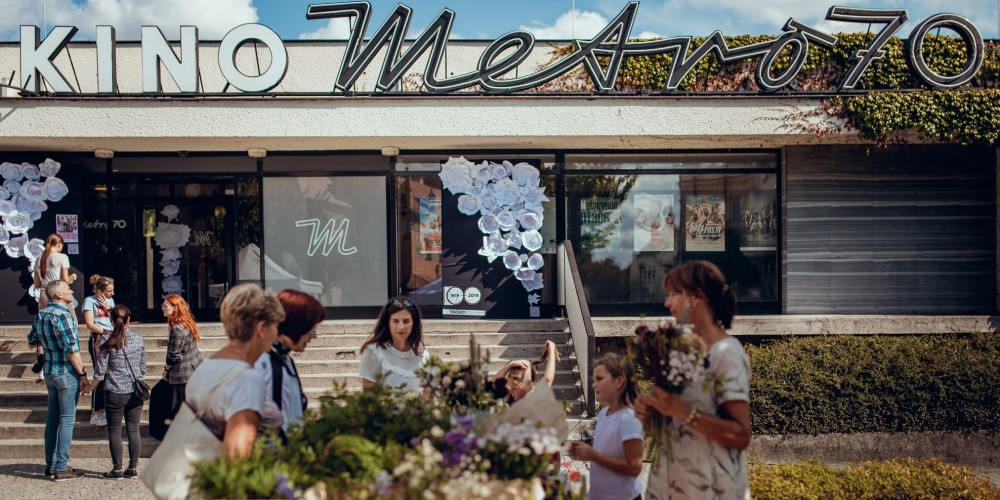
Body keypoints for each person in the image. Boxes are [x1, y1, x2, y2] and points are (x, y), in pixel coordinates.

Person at [635, 260, 751, 499]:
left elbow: (741, 435)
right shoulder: (681, 350)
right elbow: (677, 421)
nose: (667, 303)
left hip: (709, 489)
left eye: (674, 294)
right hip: (669, 485)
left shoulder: (726, 353)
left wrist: (682, 412)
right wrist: (651, 417)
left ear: (696, 296)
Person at [184, 284, 285, 458]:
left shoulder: (206, 367)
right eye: (276, 326)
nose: (277, 334)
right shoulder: (246, 379)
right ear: (261, 328)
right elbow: (237, 457)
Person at [28, 280, 92, 481]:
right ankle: (61, 468)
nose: (71, 290)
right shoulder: (63, 315)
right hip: (65, 372)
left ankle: (51, 465)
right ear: (58, 295)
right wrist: (83, 375)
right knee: (66, 420)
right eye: (67, 289)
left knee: (52, 419)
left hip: (49, 371)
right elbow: (72, 350)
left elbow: (32, 341)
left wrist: (48, 343)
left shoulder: (41, 315)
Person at [568, 352, 644, 500]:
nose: (594, 385)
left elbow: (634, 468)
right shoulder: (603, 414)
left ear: (619, 381)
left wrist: (593, 455)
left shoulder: (629, 419)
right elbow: (606, 453)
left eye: (600, 379)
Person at [255, 290, 325, 434]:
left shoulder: (285, 360)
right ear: (295, 325)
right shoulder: (266, 365)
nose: (314, 336)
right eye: (311, 328)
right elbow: (270, 431)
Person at [93, 305, 146, 480]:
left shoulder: (106, 339)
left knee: (115, 430)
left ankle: (117, 469)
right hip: (135, 391)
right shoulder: (138, 339)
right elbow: (142, 367)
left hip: (114, 390)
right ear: (129, 320)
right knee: (133, 430)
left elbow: (100, 371)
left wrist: (90, 386)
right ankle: (133, 468)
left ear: (111, 320)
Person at [30, 234, 78, 378]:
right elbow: (64, 279)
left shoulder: (39, 259)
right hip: (58, 295)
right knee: (71, 323)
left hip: (44, 295)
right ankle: (69, 359)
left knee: (43, 327)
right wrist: (73, 277)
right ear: (59, 244)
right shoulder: (62, 257)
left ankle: (42, 359)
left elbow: (37, 284)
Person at [358, 297, 429, 394]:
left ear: (414, 323)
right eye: (395, 321)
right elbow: (369, 397)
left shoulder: (423, 355)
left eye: (406, 321)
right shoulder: (374, 352)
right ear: (387, 323)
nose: (401, 327)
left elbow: (427, 396)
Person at [159, 295, 203, 423]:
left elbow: (173, 356)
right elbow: (184, 344)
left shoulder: (177, 329)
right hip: (192, 370)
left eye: (166, 306)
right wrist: (169, 343)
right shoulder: (185, 323)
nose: (163, 308)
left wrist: (166, 370)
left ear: (175, 308)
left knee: (178, 409)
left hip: (182, 375)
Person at [81, 274, 115, 426]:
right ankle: (96, 411)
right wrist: (105, 332)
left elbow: (116, 319)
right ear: (100, 291)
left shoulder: (110, 301)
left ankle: (104, 409)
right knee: (100, 373)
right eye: (109, 291)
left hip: (111, 338)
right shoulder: (90, 301)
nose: (112, 293)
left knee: (108, 373)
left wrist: (109, 308)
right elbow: (89, 323)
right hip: (99, 338)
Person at [493, 339, 558, 404]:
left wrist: (551, 350)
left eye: (515, 388)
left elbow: (548, 380)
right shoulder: (511, 397)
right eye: (511, 387)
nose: (511, 391)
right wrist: (510, 365)